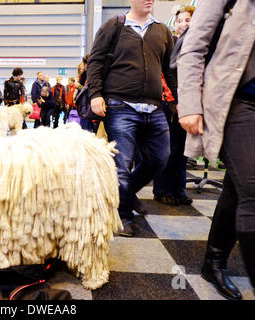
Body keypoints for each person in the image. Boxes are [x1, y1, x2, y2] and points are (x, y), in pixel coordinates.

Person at [177, 0, 254, 299]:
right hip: (238, 100)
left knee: (237, 187)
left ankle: (214, 260)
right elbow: (194, 48)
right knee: (252, 189)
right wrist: (190, 104)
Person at [87, 0, 177, 237]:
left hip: (154, 106)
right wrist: (96, 94)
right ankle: (123, 215)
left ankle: (125, 194)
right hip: (120, 105)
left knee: (160, 159)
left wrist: (178, 100)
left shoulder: (162, 30)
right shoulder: (114, 26)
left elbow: (170, 69)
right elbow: (94, 62)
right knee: (122, 167)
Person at [152, 6, 195, 207]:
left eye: (187, 20)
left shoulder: (198, 46)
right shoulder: (170, 44)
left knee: (183, 151)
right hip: (170, 104)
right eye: (180, 21)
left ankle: (179, 189)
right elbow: (163, 76)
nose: (183, 24)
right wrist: (174, 101)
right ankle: (162, 190)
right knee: (168, 149)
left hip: (190, 106)